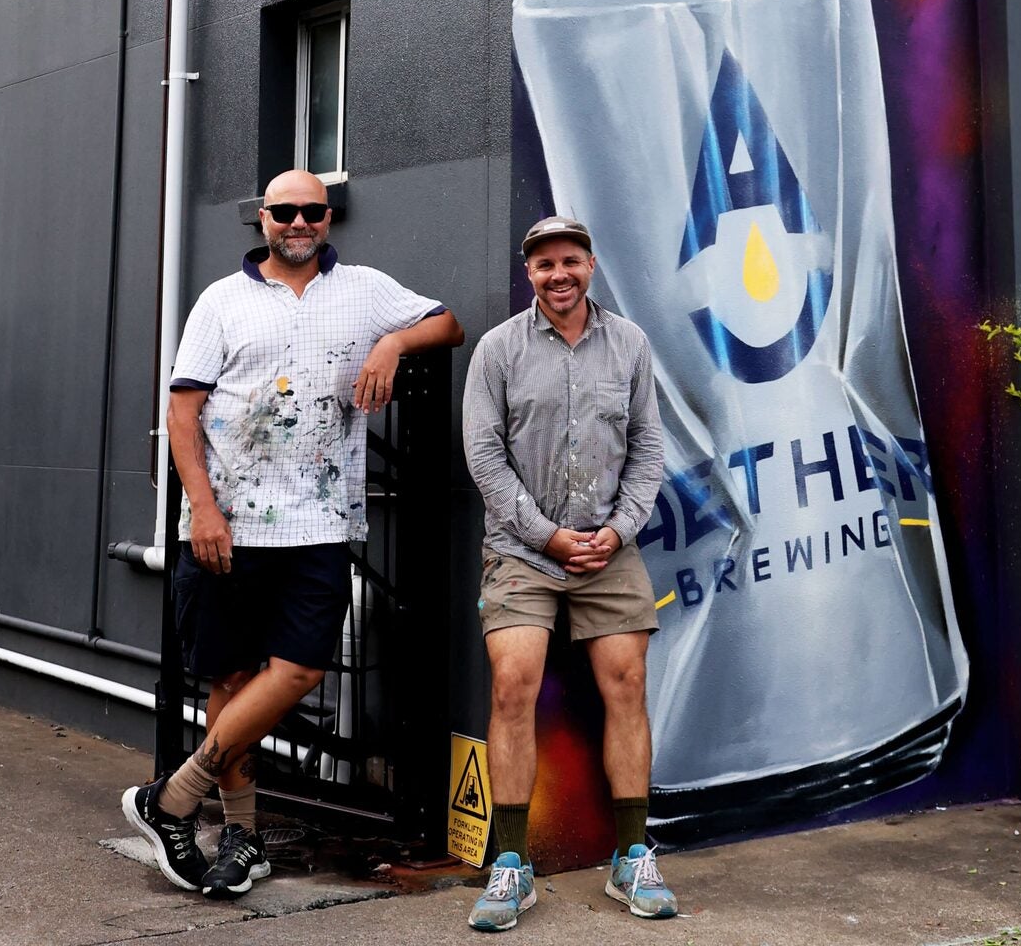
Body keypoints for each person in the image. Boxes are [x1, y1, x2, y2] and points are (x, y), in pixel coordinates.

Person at [122, 169, 463, 896]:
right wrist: (204, 510)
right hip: (229, 527)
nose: (299, 222)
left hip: (316, 524)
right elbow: (183, 416)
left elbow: (449, 323)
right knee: (233, 680)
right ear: (263, 219)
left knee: (300, 670)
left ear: (329, 218)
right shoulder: (221, 301)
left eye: (313, 210)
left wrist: (392, 345)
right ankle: (241, 839)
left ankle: (172, 797)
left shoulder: (364, 290)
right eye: (285, 211)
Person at [462, 215, 675, 928]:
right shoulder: (498, 350)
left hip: (610, 550)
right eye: (545, 264)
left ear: (591, 265)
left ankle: (631, 857)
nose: (559, 275)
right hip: (524, 551)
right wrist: (548, 536)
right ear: (530, 273)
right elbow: (485, 458)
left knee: (628, 684)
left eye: (571, 262)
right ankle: (513, 864)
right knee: (513, 683)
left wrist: (616, 530)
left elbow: (648, 446)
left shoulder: (631, 345)